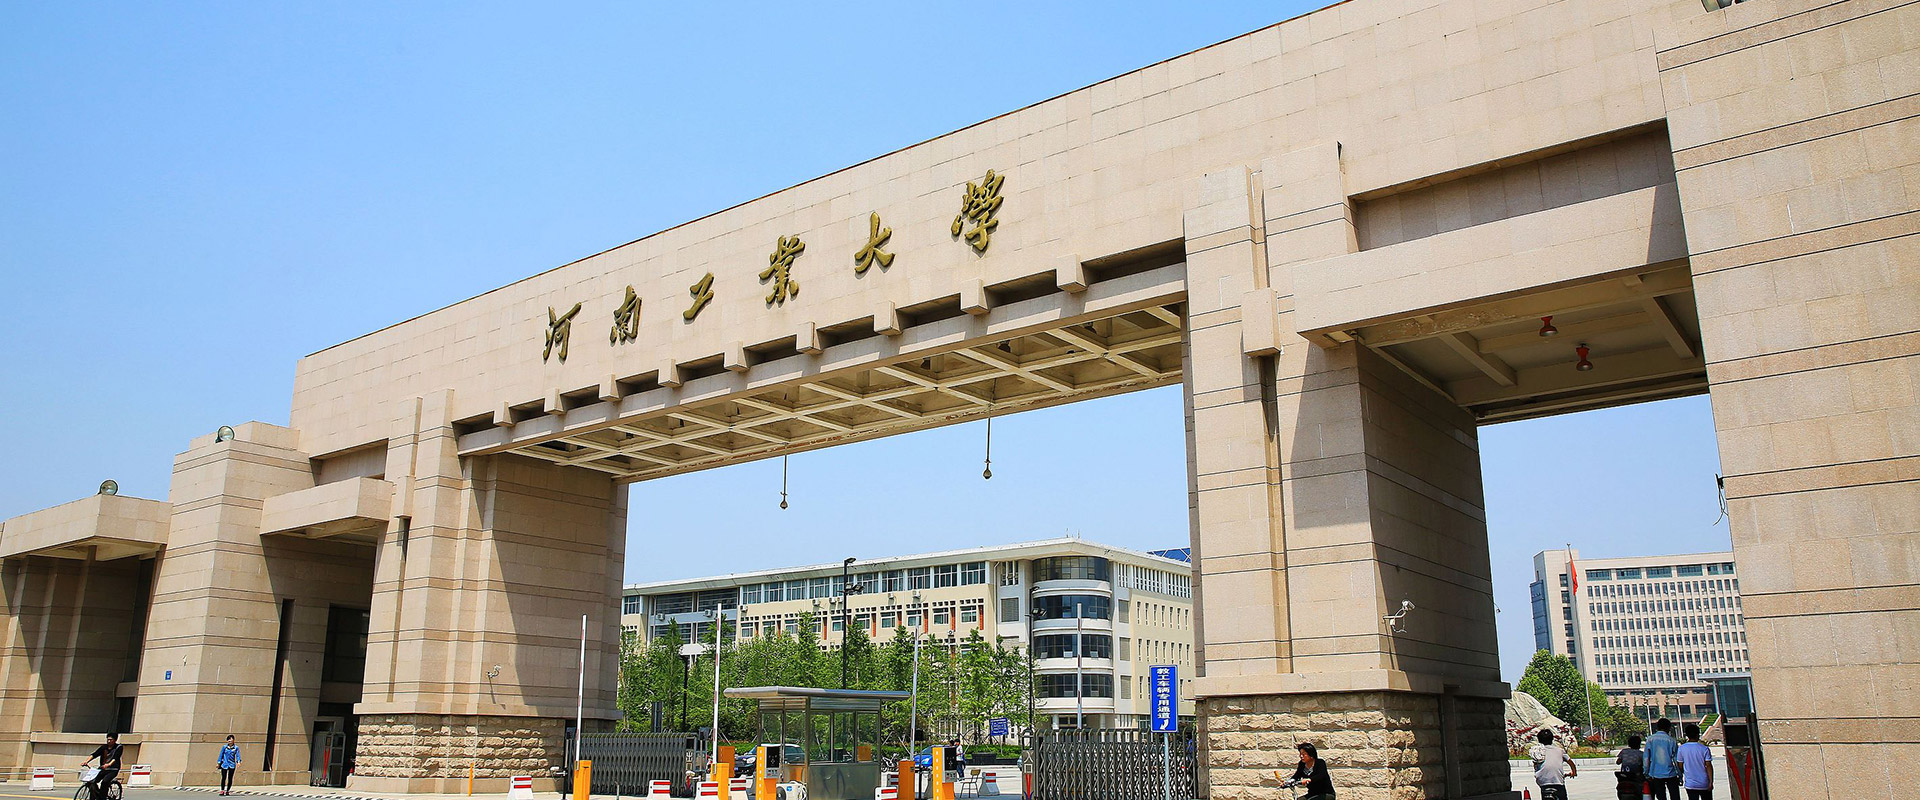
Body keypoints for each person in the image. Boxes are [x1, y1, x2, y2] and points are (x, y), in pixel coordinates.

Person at [1528, 729, 1577, 800]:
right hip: (1558, 782)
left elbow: (1535, 765)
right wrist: (1574, 772)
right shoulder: (1560, 751)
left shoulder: (1537, 752)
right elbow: (1571, 763)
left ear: (1539, 740)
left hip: (1543, 782)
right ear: (1552, 739)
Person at [1645, 718, 1682, 800]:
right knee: (1675, 796)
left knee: (1661, 796)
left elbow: (1646, 757)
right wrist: (1679, 774)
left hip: (1656, 773)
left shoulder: (1650, 739)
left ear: (1657, 727)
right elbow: (1676, 759)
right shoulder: (1671, 740)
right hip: (1670, 773)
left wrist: (1646, 772)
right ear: (1668, 728)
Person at [78, 733, 122, 800]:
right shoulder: (104, 747)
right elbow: (94, 754)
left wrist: (109, 764)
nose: (109, 741)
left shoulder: (119, 747)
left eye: (111, 740)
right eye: (108, 739)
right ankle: (94, 796)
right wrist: (86, 761)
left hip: (113, 769)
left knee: (105, 781)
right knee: (91, 781)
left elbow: (116, 757)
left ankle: (102, 798)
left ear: (115, 740)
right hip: (103, 768)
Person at [1677, 723, 1714, 800]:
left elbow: (1680, 765)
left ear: (1687, 735)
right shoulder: (1704, 749)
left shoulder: (1682, 748)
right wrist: (1711, 781)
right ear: (1698, 734)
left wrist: (1685, 772)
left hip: (1690, 783)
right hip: (1704, 783)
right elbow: (1708, 766)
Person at [1615, 735, 1646, 800]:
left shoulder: (1624, 751)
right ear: (1639, 744)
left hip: (1624, 776)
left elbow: (1618, 762)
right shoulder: (1641, 754)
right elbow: (1645, 765)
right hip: (1636, 777)